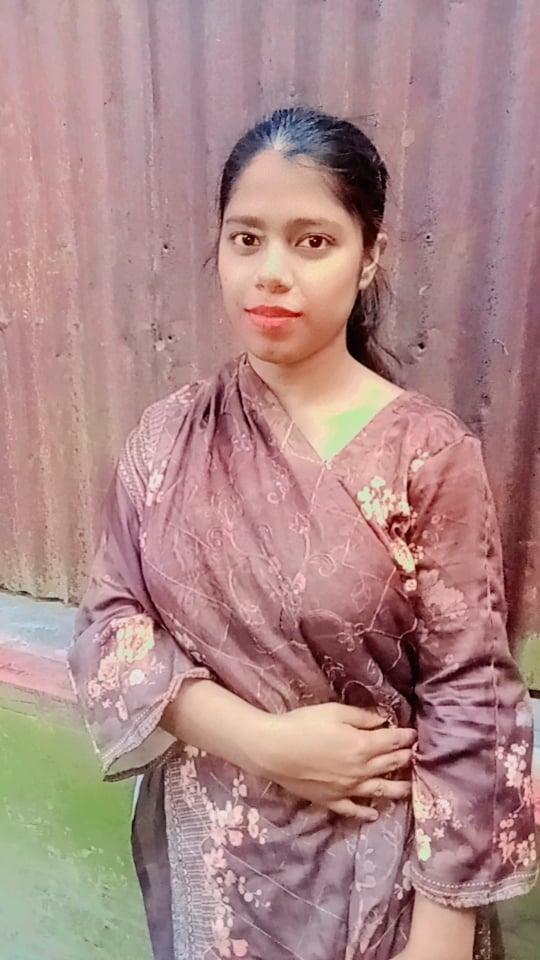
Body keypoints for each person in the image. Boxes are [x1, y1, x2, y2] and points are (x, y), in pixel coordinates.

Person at [68, 106, 537, 960]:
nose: (271, 273)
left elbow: (473, 701)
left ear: (370, 258)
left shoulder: (424, 457)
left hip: (379, 886)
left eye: (312, 242)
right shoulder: (168, 441)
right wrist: (261, 742)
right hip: (216, 872)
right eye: (246, 240)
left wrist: (440, 933)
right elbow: (108, 627)